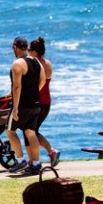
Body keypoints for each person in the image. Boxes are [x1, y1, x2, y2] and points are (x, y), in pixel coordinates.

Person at [6, 36, 46, 174]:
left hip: (22, 105)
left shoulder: (17, 64)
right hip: (35, 103)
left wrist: (15, 108)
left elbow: (17, 87)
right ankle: (36, 164)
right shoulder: (36, 61)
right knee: (30, 132)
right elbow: (42, 81)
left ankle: (20, 160)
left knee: (9, 131)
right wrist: (32, 94)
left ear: (15, 47)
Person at [24, 37, 60, 167]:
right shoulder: (48, 63)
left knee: (30, 131)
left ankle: (48, 153)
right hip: (46, 102)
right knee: (32, 131)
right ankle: (37, 158)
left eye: (29, 50)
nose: (28, 52)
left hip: (36, 102)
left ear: (34, 52)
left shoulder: (34, 65)